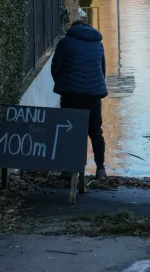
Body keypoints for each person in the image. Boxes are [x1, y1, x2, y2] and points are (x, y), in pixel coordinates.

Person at [51, 19, 108, 180]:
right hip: (93, 97)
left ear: (73, 29)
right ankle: (100, 169)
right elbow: (102, 71)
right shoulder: (98, 44)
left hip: (70, 95)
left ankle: (70, 169)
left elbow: (56, 68)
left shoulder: (65, 42)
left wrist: (62, 85)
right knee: (95, 132)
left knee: (70, 131)